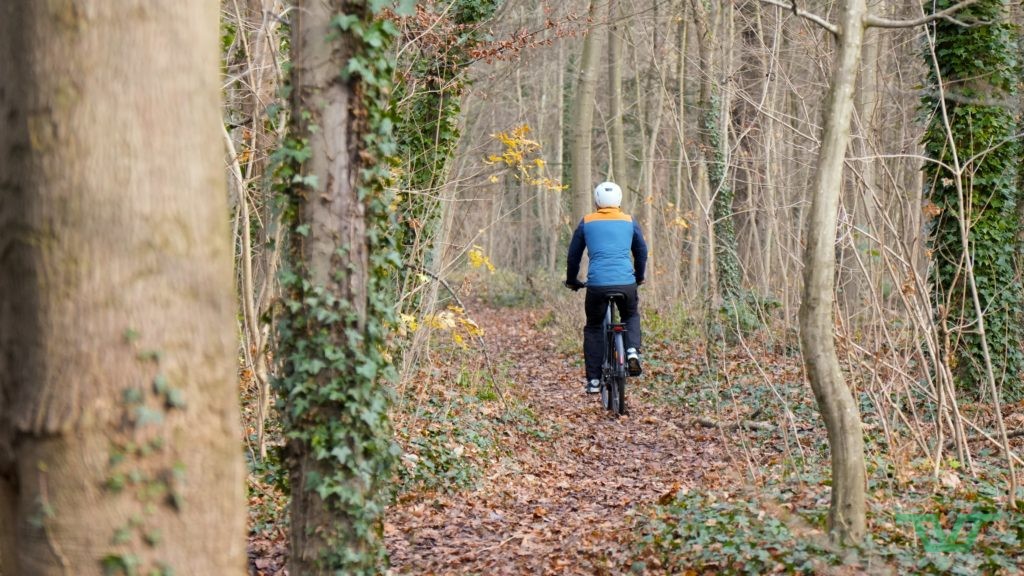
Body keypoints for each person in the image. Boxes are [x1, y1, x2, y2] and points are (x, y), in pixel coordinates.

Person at [564, 181, 647, 394]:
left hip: (597, 286)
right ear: (618, 201)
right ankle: (631, 352)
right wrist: (638, 277)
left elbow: (573, 255)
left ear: (597, 201)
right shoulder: (629, 221)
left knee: (593, 327)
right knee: (630, 315)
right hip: (626, 283)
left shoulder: (587, 222)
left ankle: (593, 380)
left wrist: (572, 280)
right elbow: (641, 251)